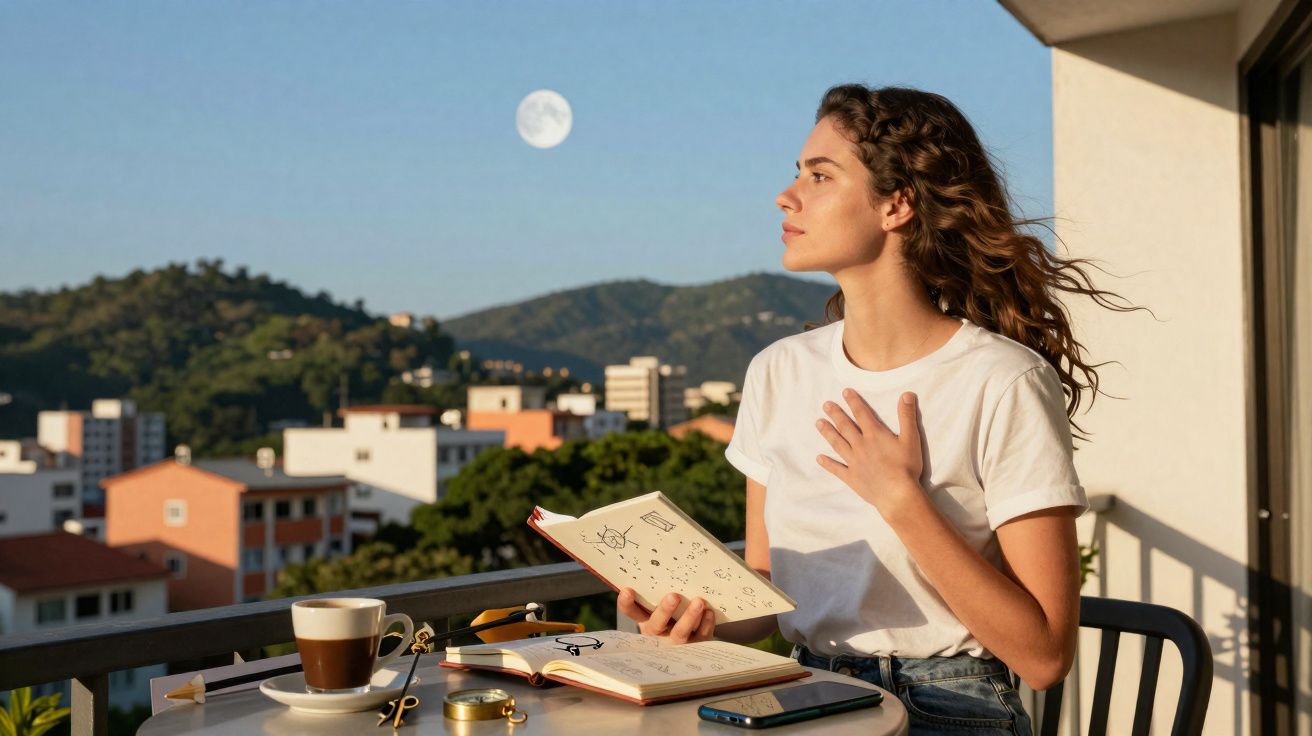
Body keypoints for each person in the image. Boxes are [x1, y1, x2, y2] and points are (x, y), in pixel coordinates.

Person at [618, 84, 1138, 735]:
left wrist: (900, 499)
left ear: (896, 205)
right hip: (803, 692)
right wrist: (704, 615)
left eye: (819, 175)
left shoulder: (1002, 380)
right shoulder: (779, 371)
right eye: (797, 173)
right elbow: (766, 584)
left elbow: (1044, 655)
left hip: (949, 705)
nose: (787, 195)